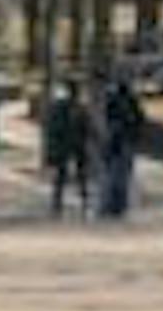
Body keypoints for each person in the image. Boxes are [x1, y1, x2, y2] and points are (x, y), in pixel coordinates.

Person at [42, 80, 93, 218]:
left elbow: (52, 128)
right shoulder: (77, 108)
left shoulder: (60, 107)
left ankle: (60, 203)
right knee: (75, 175)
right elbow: (87, 128)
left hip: (68, 145)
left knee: (66, 175)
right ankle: (79, 201)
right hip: (73, 145)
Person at [100, 74, 146, 219]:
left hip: (116, 143)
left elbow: (108, 120)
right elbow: (140, 120)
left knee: (112, 175)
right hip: (126, 142)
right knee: (122, 175)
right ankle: (119, 205)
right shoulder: (131, 102)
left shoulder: (113, 101)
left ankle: (110, 205)